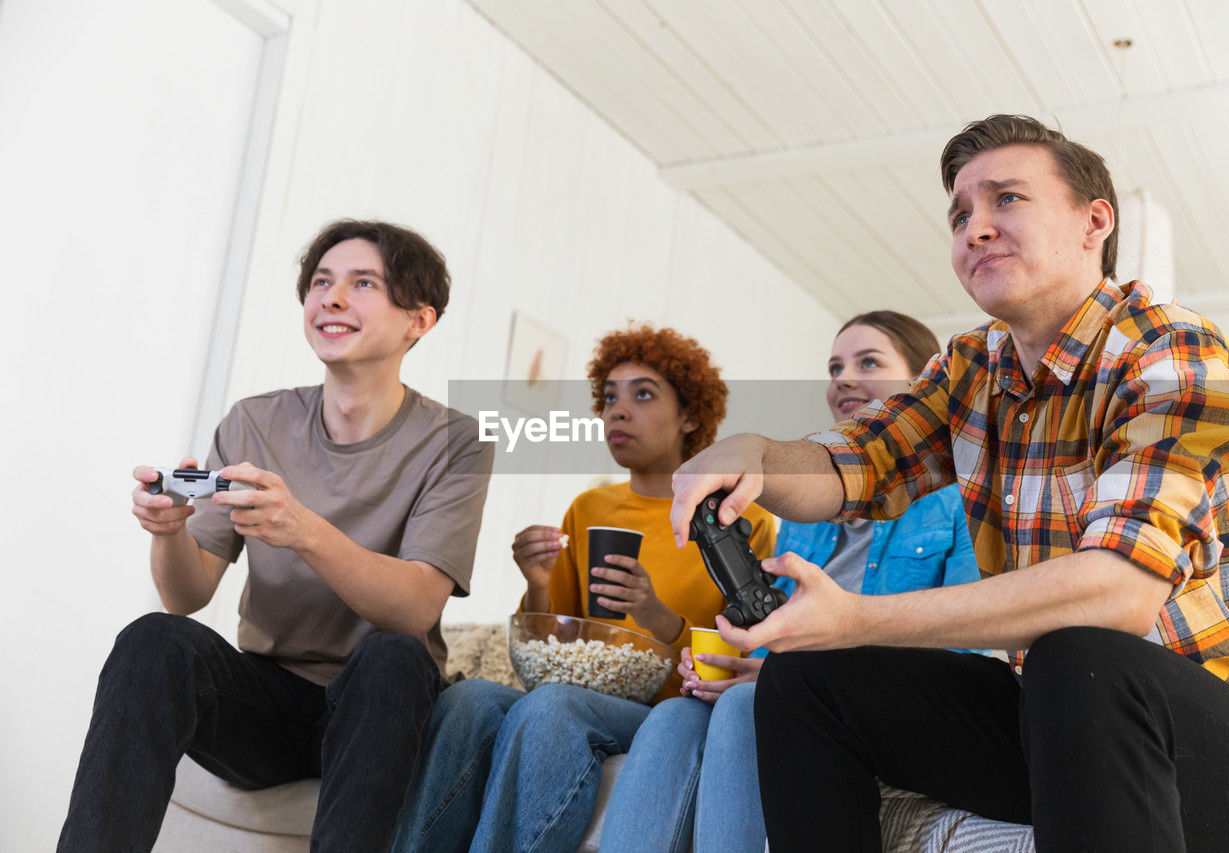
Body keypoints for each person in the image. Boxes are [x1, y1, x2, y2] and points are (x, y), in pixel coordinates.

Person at [670, 114, 1229, 851]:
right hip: (1056, 724)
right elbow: (853, 463)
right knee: (804, 682)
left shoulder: (1173, 352)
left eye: (1007, 200)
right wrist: (754, 454)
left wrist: (857, 620)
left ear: (1095, 222)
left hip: (1222, 743)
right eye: (961, 214)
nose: (976, 227)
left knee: (1076, 651)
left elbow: (1121, 590)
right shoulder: (972, 368)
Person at [58, 220, 494, 852]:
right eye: (321, 282)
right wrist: (168, 531)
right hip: (269, 700)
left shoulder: (456, 442)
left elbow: (417, 607)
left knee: (393, 657)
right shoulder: (255, 421)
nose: (332, 298)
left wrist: (304, 530)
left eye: (362, 283)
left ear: (418, 321)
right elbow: (187, 595)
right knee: (154, 639)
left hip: (381, 706)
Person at [599, 312, 979, 853]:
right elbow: (773, 627)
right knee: (674, 716)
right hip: (793, 690)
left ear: (924, 384)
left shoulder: (964, 504)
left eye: (868, 362)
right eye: (834, 367)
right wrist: (734, 662)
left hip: (891, 704)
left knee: (745, 706)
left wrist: (778, 674)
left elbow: (974, 648)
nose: (843, 378)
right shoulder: (802, 519)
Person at [393, 324, 775, 853]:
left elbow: (739, 658)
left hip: (671, 709)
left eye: (643, 394)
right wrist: (540, 582)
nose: (618, 410)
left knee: (553, 708)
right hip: (582, 694)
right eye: (609, 397)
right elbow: (558, 647)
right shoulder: (589, 510)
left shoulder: (739, 519)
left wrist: (653, 612)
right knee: (468, 700)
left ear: (690, 415)